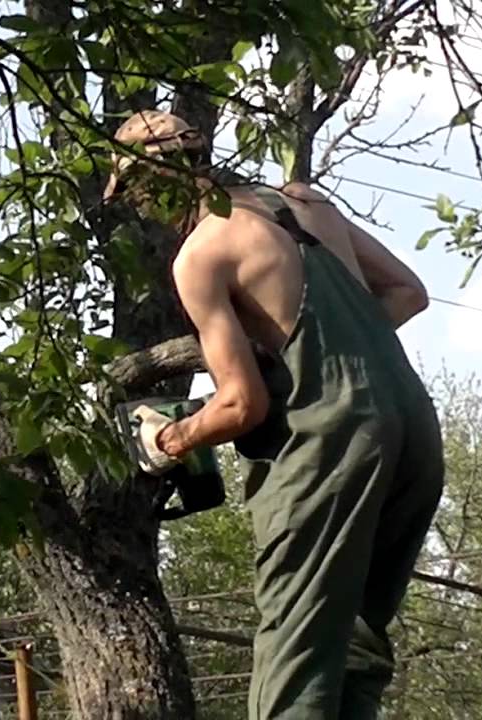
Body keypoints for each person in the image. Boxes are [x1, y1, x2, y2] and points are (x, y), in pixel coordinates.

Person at [106, 110, 446, 720]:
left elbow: (242, 405)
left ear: (156, 176)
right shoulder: (305, 202)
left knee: (296, 648)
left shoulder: (202, 254)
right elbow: (407, 293)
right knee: (357, 646)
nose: (137, 205)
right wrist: (327, 355)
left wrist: (171, 438)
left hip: (332, 441)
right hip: (413, 425)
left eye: (133, 188)